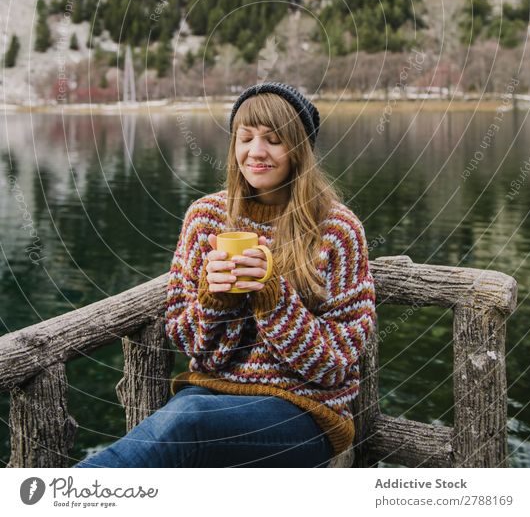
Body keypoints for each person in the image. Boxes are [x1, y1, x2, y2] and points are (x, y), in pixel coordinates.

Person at [74, 81, 376, 468]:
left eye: (273, 139)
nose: (256, 152)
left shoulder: (337, 229)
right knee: (187, 417)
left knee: (188, 423)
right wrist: (214, 300)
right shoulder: (206, 219)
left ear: (299, 150)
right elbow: (192, 345)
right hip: (211, 394)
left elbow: (335, 365)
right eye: (245, 138)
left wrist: (274, 298)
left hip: (305, 413)